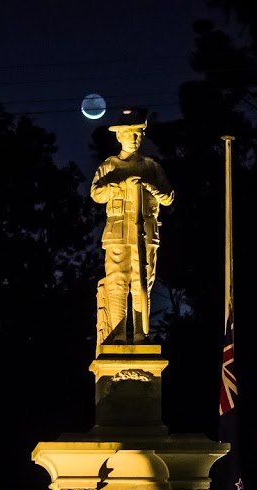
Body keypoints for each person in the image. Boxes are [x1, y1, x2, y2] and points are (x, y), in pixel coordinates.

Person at [90, 106, 174, 348]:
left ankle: (140, 334)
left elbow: (168, 196)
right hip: (118, 234)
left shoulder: (151, 167)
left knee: (143, 282)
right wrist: (121, 185)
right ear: (119, 136)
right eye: (129, 134)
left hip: (146, 234)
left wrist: (149, 186)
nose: (134, 138)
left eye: (138, 134)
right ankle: (116, 335)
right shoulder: (110, 165)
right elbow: (97, 193)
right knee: (117, 282)